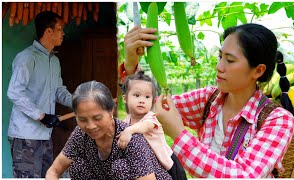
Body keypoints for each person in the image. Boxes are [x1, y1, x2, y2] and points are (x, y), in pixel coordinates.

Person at [122, 24, 294, 178]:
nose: (219, 66)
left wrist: (178, 134)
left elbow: (245, 175)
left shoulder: (278, 120)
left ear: (258, 71)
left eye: (230, 60)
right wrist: (131, 66)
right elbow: (148, 108)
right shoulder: (208, 99)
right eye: (220, 56)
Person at [45, 80, 172, 180]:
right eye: (82, 119)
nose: (90, 126)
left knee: (120, 168)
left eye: (97, 118)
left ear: (111, 111)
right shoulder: (80, 134)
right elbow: (54, 171)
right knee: (78, 166)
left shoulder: (131, 138)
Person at [7, 11, 73, 178]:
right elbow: (14, 92)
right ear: (48, 31)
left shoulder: (54, 61)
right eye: (60, 29)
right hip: (25, 136)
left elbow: (59, 91)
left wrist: (79, 102)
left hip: (45, 136)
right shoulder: (27, 58)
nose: (63, 33)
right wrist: (41, 116)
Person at [117, 71, 187, 180]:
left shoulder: (151, 118)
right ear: (125, 98)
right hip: (150, 165)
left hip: (168, 162)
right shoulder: (126, 121)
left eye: (147, 97)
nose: (142, 100)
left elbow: (145, 127)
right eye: (136, 95)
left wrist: (129, 131)